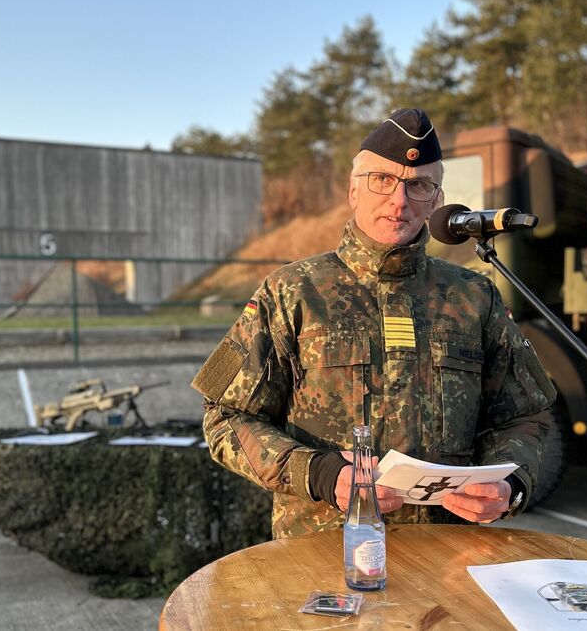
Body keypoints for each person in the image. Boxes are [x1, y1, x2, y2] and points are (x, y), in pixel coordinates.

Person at [192, 108, 557, 539]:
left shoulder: (474, 297)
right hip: (322, 552)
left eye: (419, 185)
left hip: (448, 552)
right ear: (353, 191)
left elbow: (524, 417)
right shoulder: (292, 291)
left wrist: (510, 486)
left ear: (436, 201)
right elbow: (226, 418)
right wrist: (319, 473)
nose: (399, 200)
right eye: (382, 180)